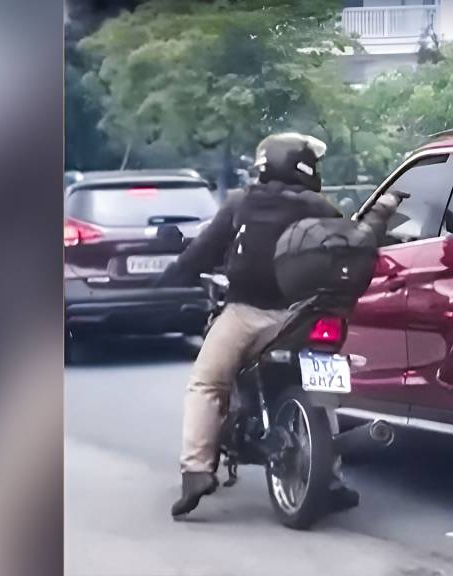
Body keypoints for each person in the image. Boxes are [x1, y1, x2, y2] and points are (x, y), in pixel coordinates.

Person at [159, 133, 360, 519]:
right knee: (322, 388)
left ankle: (197, 471)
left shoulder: (240, 202)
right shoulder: (322, 206)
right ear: (303, 168)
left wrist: (172, 276)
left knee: (207, 382)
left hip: (245, 314)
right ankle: (331, 476)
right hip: (304, 315)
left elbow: (202, 252)